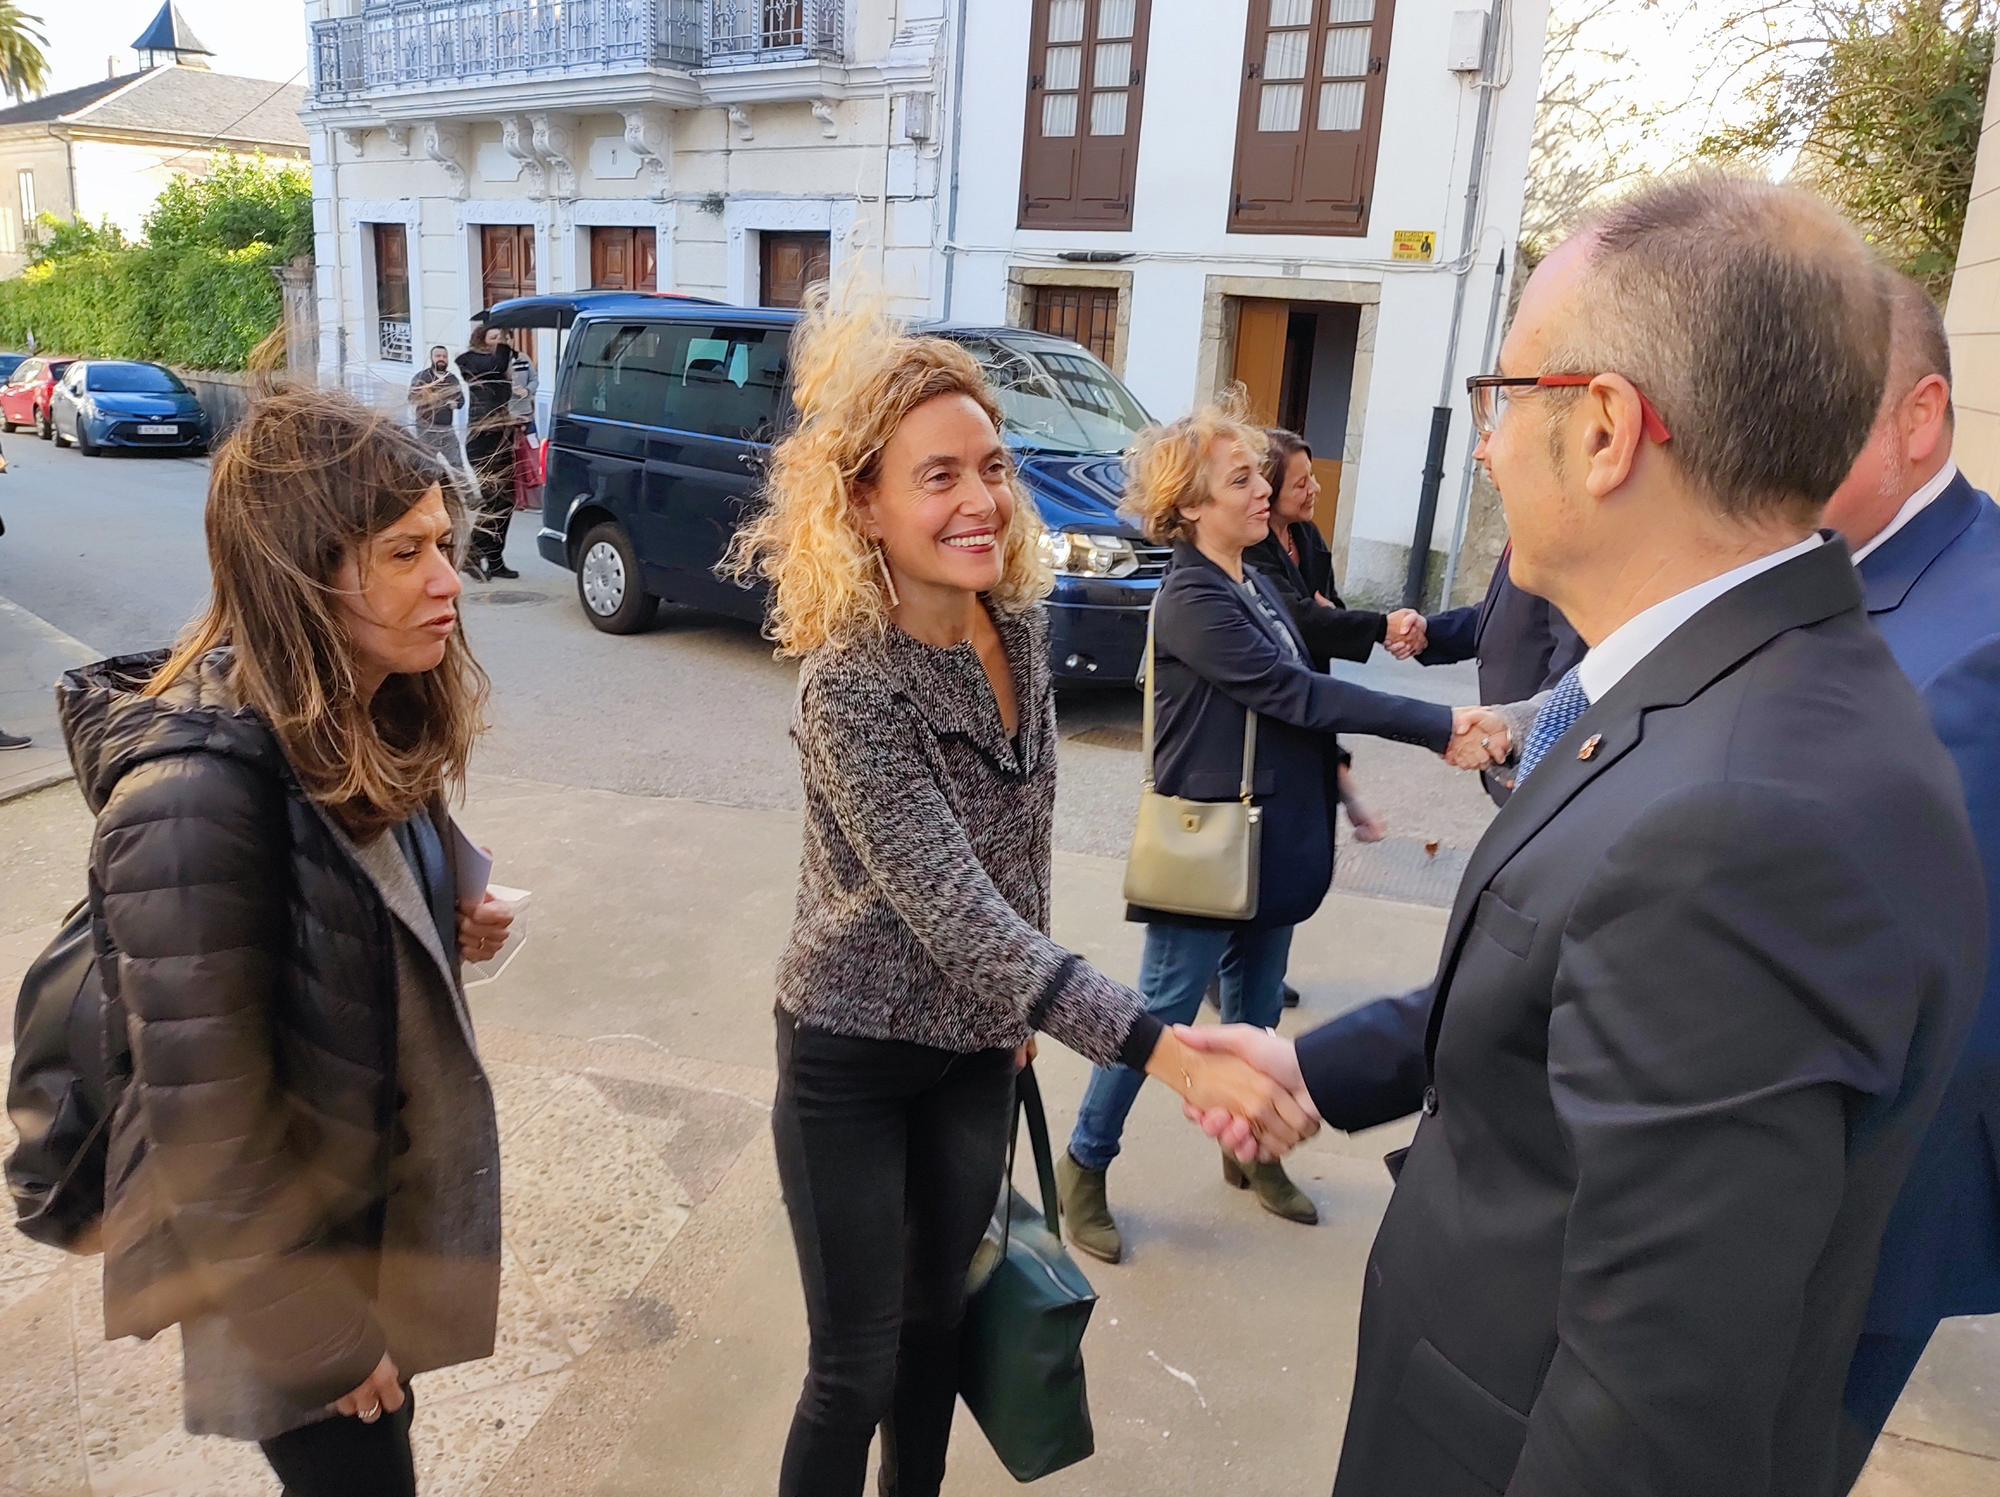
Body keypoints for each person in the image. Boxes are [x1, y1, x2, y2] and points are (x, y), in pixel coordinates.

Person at [1182, 175, 1986, 1497]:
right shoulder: (1734, 683)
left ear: (1607, 428)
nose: (1488, 444)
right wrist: (1314, 1064)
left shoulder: (1750, 821)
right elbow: (1568, 976)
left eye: (1507, 398)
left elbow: (1653, 1411)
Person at [723, 295, 1315, 1497]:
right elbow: (957, 911)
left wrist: (1013, 1030)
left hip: (970, 1053)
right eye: (935, 477)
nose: (979, 501)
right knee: (855, 1369)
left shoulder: (1019, 627)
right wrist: (1171, 1054)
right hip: (849, 1053)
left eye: (991, 466)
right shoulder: (851, 690)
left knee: (940, 1333)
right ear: (864, 508)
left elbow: (1017, 861)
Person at [57, 388, 516, 1495]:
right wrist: (315, 1335)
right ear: (299, 574)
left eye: (444, 545)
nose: (447, 582)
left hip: (356, 1227)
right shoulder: (193, 797)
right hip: (283, 1269)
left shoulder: (360, 713)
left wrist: (436, 925)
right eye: (403, 552)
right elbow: (205, 1117)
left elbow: (321, 927)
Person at [1055, 402, 1506, 1260]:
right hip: (1207, 846)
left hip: (1270, 843)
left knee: (1258, 1012)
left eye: (1260, 473)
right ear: (1189, 505)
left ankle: (1247, 1150)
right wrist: (1434, 724)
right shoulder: (1192, 597)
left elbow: (1300, 694)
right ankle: (1084, 1164)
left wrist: (1341, 781)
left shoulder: (1253, 580)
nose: (1262, 487)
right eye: (1240, 478)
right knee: (1162, 1017)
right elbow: (1297, 694)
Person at [1820, 274, 2000, 1491]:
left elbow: (1922, 985)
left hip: (1858, 1203)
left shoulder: (1977, 641)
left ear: (1917, 417)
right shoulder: (1837, 566)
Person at [1244, 428, 1419, 842]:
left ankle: (1344, 791)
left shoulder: (1306, 536)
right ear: (1267, 490)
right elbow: (1300, 619)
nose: (1314, 490)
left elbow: (1328, 609)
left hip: (1310, 677)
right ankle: (1345, 793)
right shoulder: (1252, 549)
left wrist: (1334, 618)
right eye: (1301, 483)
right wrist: (1381, 627)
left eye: (1312, 478)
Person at [1388, 538, 1584, 805]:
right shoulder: (1524, 532)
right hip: (1511, 755)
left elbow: (1572, 663)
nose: (1499, 492)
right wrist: (1429, 631)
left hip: (1537, 762)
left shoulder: (1565, 543)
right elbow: (1500, 614)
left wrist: (1520, 733)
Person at [456, 322, 519, 581]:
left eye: (502, 338)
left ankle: (494, 558)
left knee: (507, 501)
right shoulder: (468, 360)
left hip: (501, 436)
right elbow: (493, 365)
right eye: (494, 337)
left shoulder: (504, 364)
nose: (498, 342)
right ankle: (471, 552)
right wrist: (505, 345)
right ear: (481, 339)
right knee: (493, 499)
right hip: (481, 439)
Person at [407, 344, 465, 468]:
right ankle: (431, 487)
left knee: (457, 464)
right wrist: (428, 398)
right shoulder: (422, 377)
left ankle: (462, 487)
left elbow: (461, 400)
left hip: (446, 429)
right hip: (426, 429)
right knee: (427, 465)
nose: (441, 359)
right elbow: (412, 398)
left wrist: (456, 404)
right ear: (431, 358)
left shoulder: (452, 379)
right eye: (438, 356)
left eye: (444, 356)